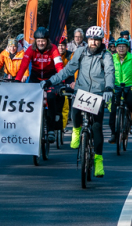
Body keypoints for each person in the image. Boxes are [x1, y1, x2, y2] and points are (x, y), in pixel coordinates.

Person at [45, 26, 114, 177]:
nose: (93, 43)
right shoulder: (80, 52)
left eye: (96, 40)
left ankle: (98, 161)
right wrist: (51, 81)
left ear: (100, 41)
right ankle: (76, 130)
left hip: (97, 93)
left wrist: (109, 88)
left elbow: (109, 72)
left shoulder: (106, 55)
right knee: (75, 112)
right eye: (91, 40)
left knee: (96, 127)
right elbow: (68, 70)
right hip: (81, 91)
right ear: (87, 40)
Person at [15, 27, 65, 131]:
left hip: (50, 79)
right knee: (31, 100)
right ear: (35, 41)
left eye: (43, 41)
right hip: (35, 79)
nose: (41, 43)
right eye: (38, 41)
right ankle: (30, 126)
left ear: (47, 41)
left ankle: (51, 129)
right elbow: (23, 66)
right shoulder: (30, 50)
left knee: (51, 98)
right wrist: (17, 80)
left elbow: (59, 66)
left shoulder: (53, 48)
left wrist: (63, 81)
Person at [109, 38, 132, 143]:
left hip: (131, 85)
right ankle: (113, 134)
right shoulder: (111, 58)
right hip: (116, 86)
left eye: (123, 46)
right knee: (113, 110)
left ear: (127, 48)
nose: (121, 48)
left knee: (130, 102)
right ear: (115, 48)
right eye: (119, 46)